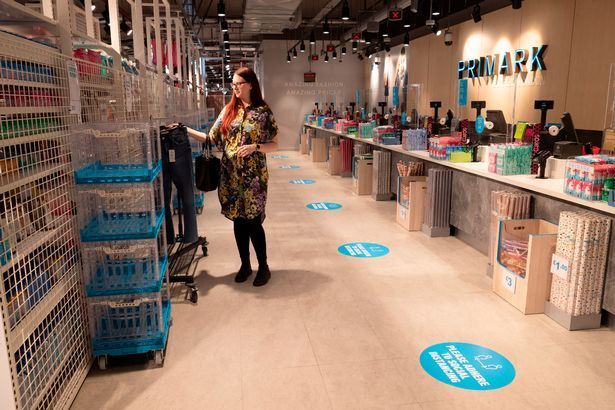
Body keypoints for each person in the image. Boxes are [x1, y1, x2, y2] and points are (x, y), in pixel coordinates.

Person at [180, 67, 278, 287]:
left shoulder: (263, 112)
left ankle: (263, 267)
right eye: (232, 84)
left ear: (250, 84)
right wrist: (185, 130)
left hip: (254, 179)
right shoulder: (228, 110)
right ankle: (245, 265)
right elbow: (211, 138)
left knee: (253, 222)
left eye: (238, 84)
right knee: (239, 222)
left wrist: (255, 147)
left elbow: (275, 144)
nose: (234, 88)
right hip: (230, 177)